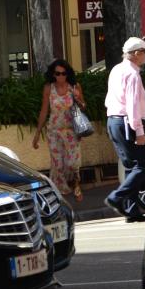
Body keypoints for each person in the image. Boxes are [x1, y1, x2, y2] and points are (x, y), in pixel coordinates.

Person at [104, 36, 145, 222]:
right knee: (144, 165)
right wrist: (139, 132)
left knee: (131, 166)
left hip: (114, 121)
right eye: (144, 52)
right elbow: (132, 105)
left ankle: (131, 210)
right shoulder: (132, 74)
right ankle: (117, 197)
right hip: (127, 122)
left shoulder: (117, 69)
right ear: (136, 54)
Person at [32, 59, 85, 203]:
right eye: (57, 73)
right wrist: (37, 133)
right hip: (54, 131)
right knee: (58, 164)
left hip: (71, 131)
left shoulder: (74, 86)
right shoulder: (49, 88)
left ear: (68, 74)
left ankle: (76, 184)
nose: (61, 76)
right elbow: (44, 110)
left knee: (73, 162)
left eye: (64, 73)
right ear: (53, 74)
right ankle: (62, 193)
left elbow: (83, 106)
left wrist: (78, 97)